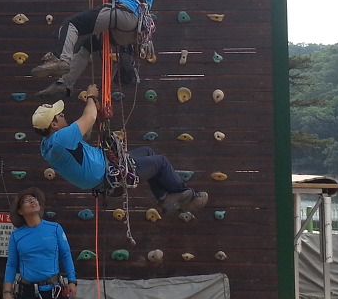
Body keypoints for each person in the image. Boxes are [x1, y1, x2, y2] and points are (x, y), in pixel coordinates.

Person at [31, 84, 208, 213]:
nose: (63, 115)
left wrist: (96, 112)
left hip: (102, 170)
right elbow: (89, 117)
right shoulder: (61, 139)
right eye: (59, 115)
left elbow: (86, 130)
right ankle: (186, 195)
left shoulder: (47, 145)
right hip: (107, 173)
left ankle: (164, 197)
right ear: (54, 124)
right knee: (161, 162)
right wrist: (91, 96)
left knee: (147, 152)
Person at [31, 0, 152, 100]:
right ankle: (64, 84)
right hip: (130, 32)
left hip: (125, 13)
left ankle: (60, 59)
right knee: (87, 45)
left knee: (71, 24)